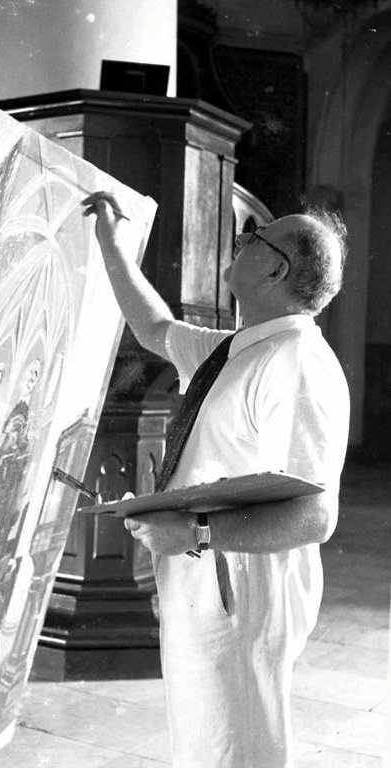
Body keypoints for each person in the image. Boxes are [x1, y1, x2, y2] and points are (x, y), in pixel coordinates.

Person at [82, 192, 350, 768]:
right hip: (208, 574)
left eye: (255, 237)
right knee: (206, 743)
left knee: (236, 748)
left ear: (275, 270)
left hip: (241, 586)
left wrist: (196, 532)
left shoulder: (296, 362)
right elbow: (155, 329)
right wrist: (111, 242)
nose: (241, 239)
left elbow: (315, 516)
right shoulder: (239, 350)